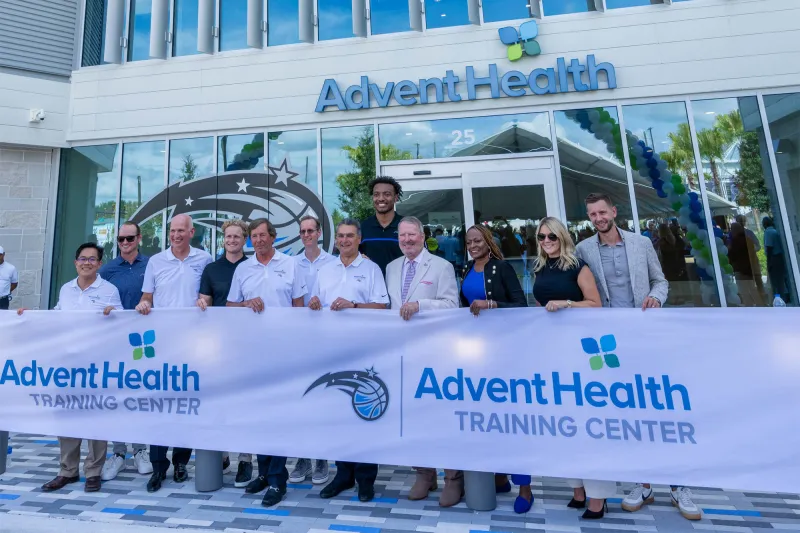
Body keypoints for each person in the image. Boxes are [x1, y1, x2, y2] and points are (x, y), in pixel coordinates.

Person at [575, 194, 700, 520]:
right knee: (628, 414)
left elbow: (660, 281)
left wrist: (656, 298)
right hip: (609, 346)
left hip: (645, 339)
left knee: (661, 409)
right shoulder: (584, 250)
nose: (598, 218)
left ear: (614, 212)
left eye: (602, 212)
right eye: (592, 214)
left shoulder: (641, 243)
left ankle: (679, 485)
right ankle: (642, 483)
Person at [18, 243, 122, 493]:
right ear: (76, 263)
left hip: (96, 366)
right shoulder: (66, 289)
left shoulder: (109, 290)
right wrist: (31, 317)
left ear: (99, 264)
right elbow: (56, 317)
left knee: (96, 418)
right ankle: (68, 470)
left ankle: (93, 471)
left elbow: (121, 322)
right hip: (68, 365)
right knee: (67, 417)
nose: (87, 263)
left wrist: (114, 313)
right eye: (82, 259)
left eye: (92, 259)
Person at [526, 217, 607, 518]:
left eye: (552, 237)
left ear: (562, 238)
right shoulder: (538, 268)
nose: (546, 242)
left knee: (588, 422)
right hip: (551, 352)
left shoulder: (578, 267)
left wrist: (567, 304)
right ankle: (577, 489)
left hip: (581, 352)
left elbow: (595, 304)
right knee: (564, 422)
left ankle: (598, 496)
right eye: (541, 237)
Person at [226, 218, 306, 507]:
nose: (258, 240)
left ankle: (277, 479)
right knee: (259, 414)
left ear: (273, 237)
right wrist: (246, 303)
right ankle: (263, 473)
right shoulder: (243, 268)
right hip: (253, 352)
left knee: (279, 415)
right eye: (254, 236)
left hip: (283, 352)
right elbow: (230, 306)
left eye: (263, 235)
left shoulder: (291, 264)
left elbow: (299, 307)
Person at [309, 219, 389, 503]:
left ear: (359, 239)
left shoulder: (371, 269)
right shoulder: (325, 270)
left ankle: (366, 479)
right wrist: (313, 303)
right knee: (339, 416)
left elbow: (382, 306)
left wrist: (353, 305)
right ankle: (343, 474)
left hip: (363, 351)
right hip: (332, 351)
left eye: (349, 236)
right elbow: (314, 302)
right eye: (340, 236)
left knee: (364, 413)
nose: (344, 240)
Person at [386, 217, 461, 506]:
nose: (406, 240)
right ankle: (425, 473)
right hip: (403, 352)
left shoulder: (441, 266)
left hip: (434, 351)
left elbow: (451, 305)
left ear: (422, 235)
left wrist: (420, 306)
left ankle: (453, 476)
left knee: (440, 413)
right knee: (412, 415)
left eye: (411, 235)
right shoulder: (392, 267)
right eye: (402, 236)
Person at [135, 214, 213, 493]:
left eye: (181, 230)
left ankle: (181, 462)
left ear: (192, 232)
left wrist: (204, 301)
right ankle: (158, 466)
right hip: (162, 342)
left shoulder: (204, 259)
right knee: (160, 402)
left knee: (186, 402)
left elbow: (207, 295)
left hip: (192, 342)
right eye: (172, 231)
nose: (176, 235)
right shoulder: (156, 261)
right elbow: (147, 297)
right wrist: (144, 305)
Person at [458, 224, 529, 509]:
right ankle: (499, 477)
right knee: (487, 418)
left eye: (478, 240)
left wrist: (492, 304)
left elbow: (521, 304)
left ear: (488, 242)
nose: (473, 245)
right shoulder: (466, 269)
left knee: (511, 418)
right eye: (469, 242)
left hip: (503, 351)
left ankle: (525, 488)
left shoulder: (502, 268)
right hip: (475, 353)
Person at [195, 219, 251, 487]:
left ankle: (245, 460)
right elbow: (205, 299)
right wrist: (201, 303)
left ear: (244, 239)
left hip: (247, 343)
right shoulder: (212, 269)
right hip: (218, 344)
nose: (232, 240)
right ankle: (224, 454)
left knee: (244, 403)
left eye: (237, 236)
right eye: (228, 236)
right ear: (223, 239)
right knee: (220, 401)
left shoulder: (253, 267)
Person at [97, 222, 153, 481]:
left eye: (130, 238)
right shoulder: (107, 270)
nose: (125, 243)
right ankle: (118, 452)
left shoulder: (151, 265)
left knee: (140, 395)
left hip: (145, 341)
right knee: (117, 396)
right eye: (121, 239)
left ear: (139, 238)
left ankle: (141, 449)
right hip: (115, 343)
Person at [290, 215, 335, 486]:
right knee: (301, 400)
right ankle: (303, 458)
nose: (306, 235)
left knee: (322, 398)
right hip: (299, 341)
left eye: (310, 230)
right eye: (302, 231)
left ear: (319, 233)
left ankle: (322, 458)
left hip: (326, 339)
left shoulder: (333, 262)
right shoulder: (292, 263)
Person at [359, 176, 403, 276]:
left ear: (396, 198)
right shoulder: (363, 227)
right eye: (376, 194)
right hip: (370, 283)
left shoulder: (406, 225)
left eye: (387, 194)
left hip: (401, 284)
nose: (381, 198)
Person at [763, 216, 790, 303]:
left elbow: (769, 248)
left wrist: (769, 263)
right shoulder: (774, 231)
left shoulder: (768, 232)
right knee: (780, 280)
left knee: (775, 282)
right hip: (779, 257)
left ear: (765, 224)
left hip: (774, 258)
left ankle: (779, 300)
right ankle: (784, 298)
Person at [0, 245, 18, 310]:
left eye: (0, 255)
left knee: (3, 316)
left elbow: (14, 283)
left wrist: (6, 291)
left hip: (3, 300)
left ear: (3, 254)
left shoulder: (11, 268)